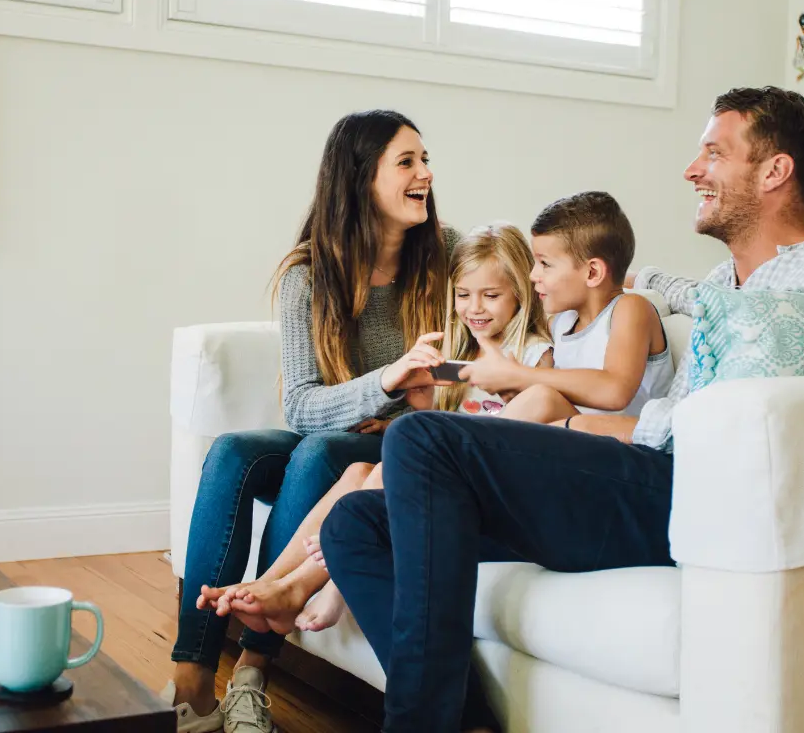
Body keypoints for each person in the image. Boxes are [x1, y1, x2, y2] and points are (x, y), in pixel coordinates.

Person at [319, 87, 804, 732]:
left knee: (423, 440)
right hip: (639, 474)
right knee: (356, 526)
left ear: (774, 172)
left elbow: (773, 425)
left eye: (713, 152)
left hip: (692, 490)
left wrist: (599, 424)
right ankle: (468, 720)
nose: (692, 169)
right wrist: (644, 287)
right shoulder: (724, 286)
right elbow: (682, 301)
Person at [164, 110, 457, 733]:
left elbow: (491, 334)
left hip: (405, 448)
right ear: (359, 179)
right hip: (331, 440)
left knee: (322, 452)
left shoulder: (449, 259)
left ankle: (251, 671)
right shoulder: (309, 274)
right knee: (233, 451)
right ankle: (191, 678)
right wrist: (385, 382)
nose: (425, 175)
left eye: (425, 160)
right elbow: (300, 404)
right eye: (407, 162)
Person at [198, 222, 552, 637]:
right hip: (451, 471)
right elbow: (444, 419)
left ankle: (301, 587)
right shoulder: (461, 355)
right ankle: (269, 581)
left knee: (381, 473)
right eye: (462, 295)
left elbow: (528, 431)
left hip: (482, 484)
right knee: (354, 474)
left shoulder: (533, 355)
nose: (475, 307)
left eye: (491, 296)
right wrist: (403, 412)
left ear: (521, 295)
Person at [460, 191, 674, 426]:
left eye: (545, 264)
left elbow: (615, 391)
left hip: (632, 450)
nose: (533, 275)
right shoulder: (559, 324)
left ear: (592, 273)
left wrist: (520, 376)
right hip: (571, 444)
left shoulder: (631, 309)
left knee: (542, 399)